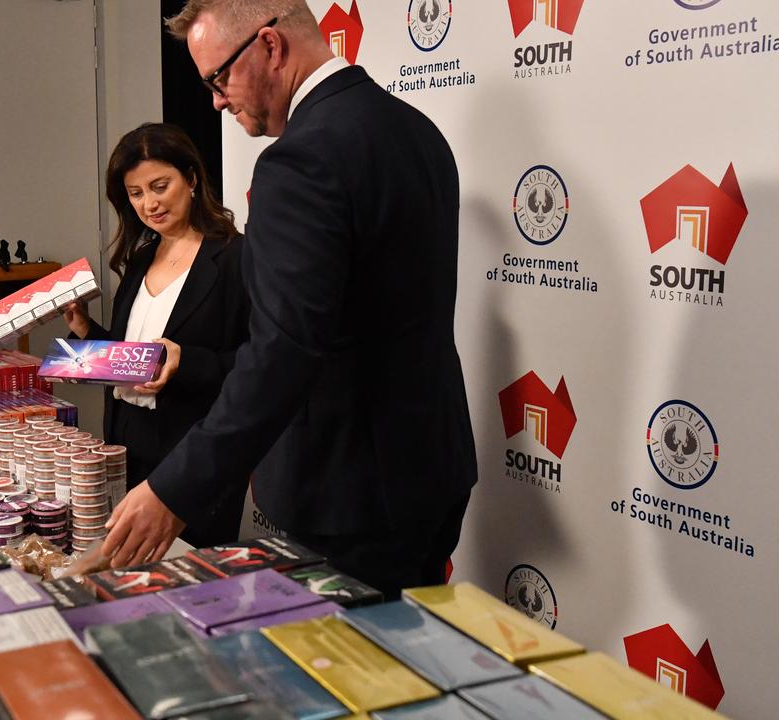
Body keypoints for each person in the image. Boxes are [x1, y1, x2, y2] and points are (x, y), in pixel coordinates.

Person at [102, 0, 477, 599]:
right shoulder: (418, 130)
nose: (218, 102)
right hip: (433, 467)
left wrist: (175, 490)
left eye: (218, 78)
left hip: (348, 493)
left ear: (270, 46)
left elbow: (281, 351)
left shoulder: (299, 161)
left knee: (357, 679)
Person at [64, 122, 250, 548]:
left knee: (190, 582)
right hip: (127, 443)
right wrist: (87, 332)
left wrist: (187, 362)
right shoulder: (141, 257)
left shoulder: (235, 257)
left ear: (192, 178)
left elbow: (259, 360)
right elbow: (133, 357)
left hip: (196, 449)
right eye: (135, 194)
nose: (149, 204)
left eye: (160, 186)